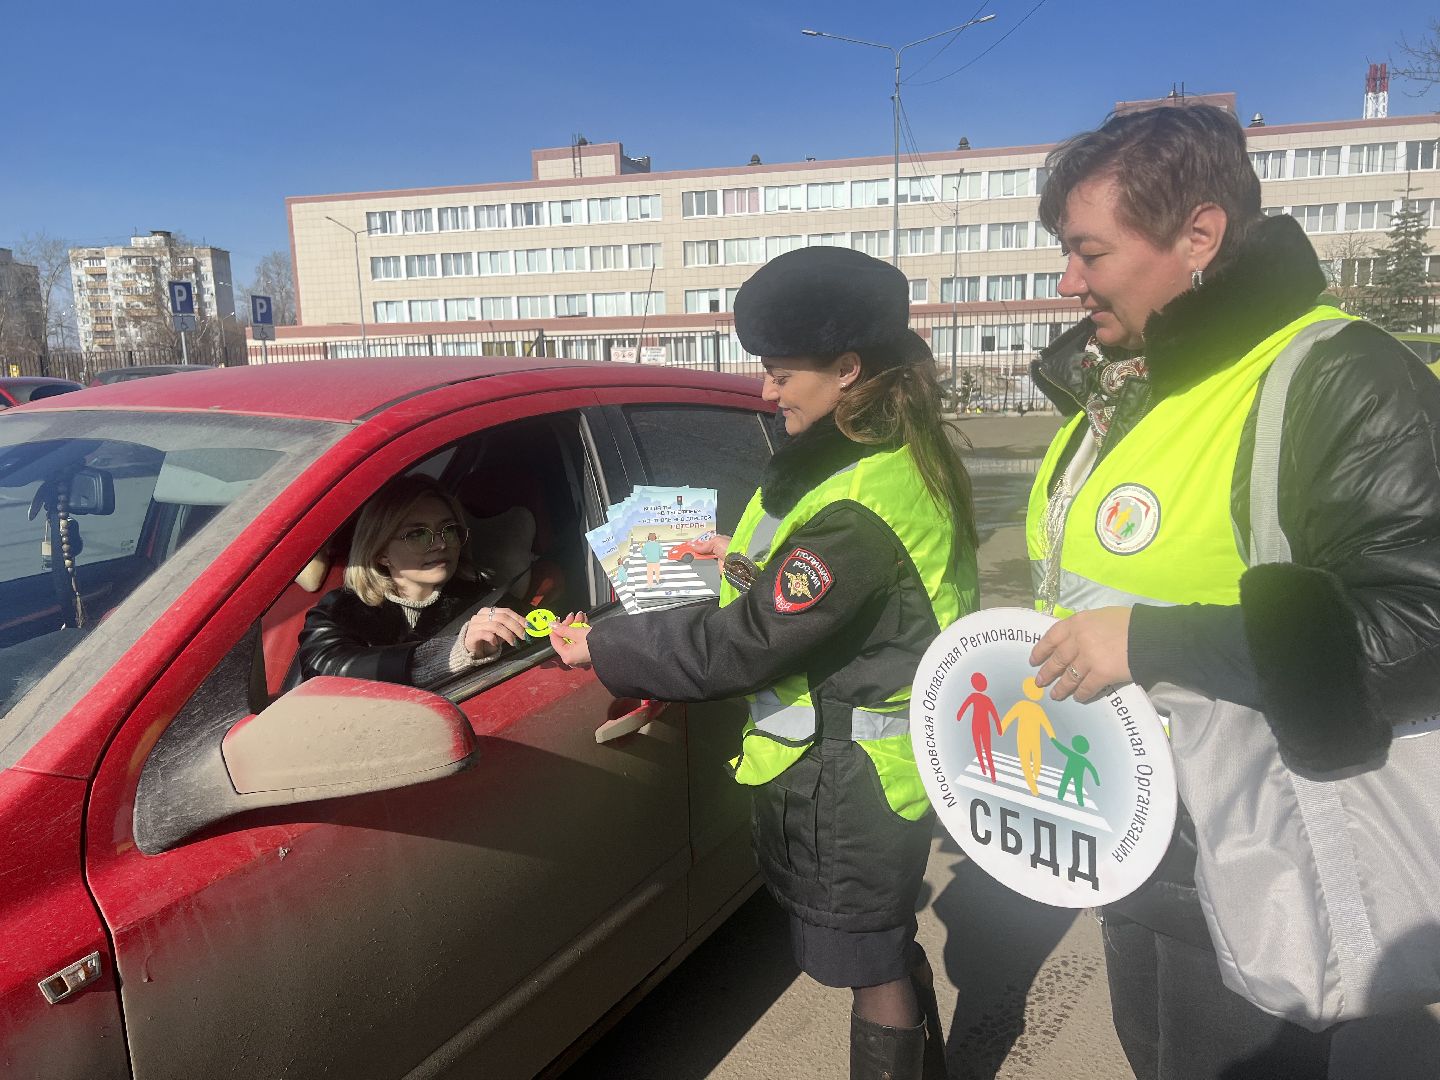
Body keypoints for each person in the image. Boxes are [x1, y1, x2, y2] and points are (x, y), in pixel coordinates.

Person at [1023, 102, 1440, 1079]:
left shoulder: (1339, 374)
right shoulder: (1132, 387)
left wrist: (1160, 643)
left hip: (1262, 842)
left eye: (1087, 252)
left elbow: (1423, 624)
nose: (1065, 281)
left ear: (1199, 236)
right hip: (1131, 837)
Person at [548, 245, 980, 1080]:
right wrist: (747, 567)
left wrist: (599, 645)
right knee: (879, 949)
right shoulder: (878, 463)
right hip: (845, 770)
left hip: (854, 782)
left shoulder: (858, 508)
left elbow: (738, 645)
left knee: (870, 966)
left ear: (848, 369)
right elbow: (844, 606)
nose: (765, 392)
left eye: (782, 373)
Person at [297, 475, 529, 686]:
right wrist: (454, 654)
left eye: (449, 530)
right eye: (417, 534)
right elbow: (322, 671)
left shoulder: (489, 604)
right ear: (381, 552)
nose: (441, 544)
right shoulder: (339, 608)